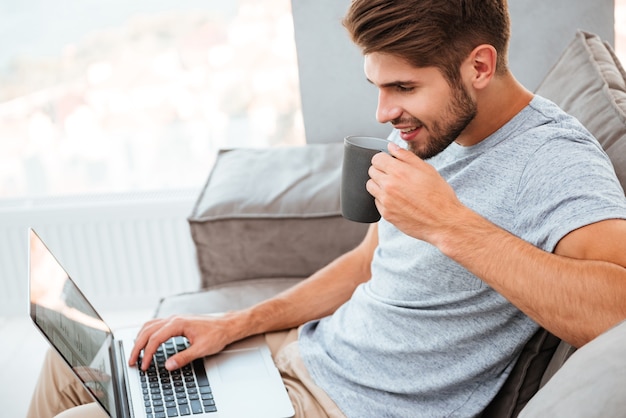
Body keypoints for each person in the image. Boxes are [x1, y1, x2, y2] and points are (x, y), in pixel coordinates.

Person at [28, 0, 626, 417]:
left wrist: (449, 224)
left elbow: (615, 310)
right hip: (301, 355)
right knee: (76, 366)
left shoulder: (555, 159)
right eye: (378, 86)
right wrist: (234, 326)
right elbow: (368, 264)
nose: (383, 114)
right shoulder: (430, 132)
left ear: (479, 66)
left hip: (342, 408)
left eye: (404, 88)